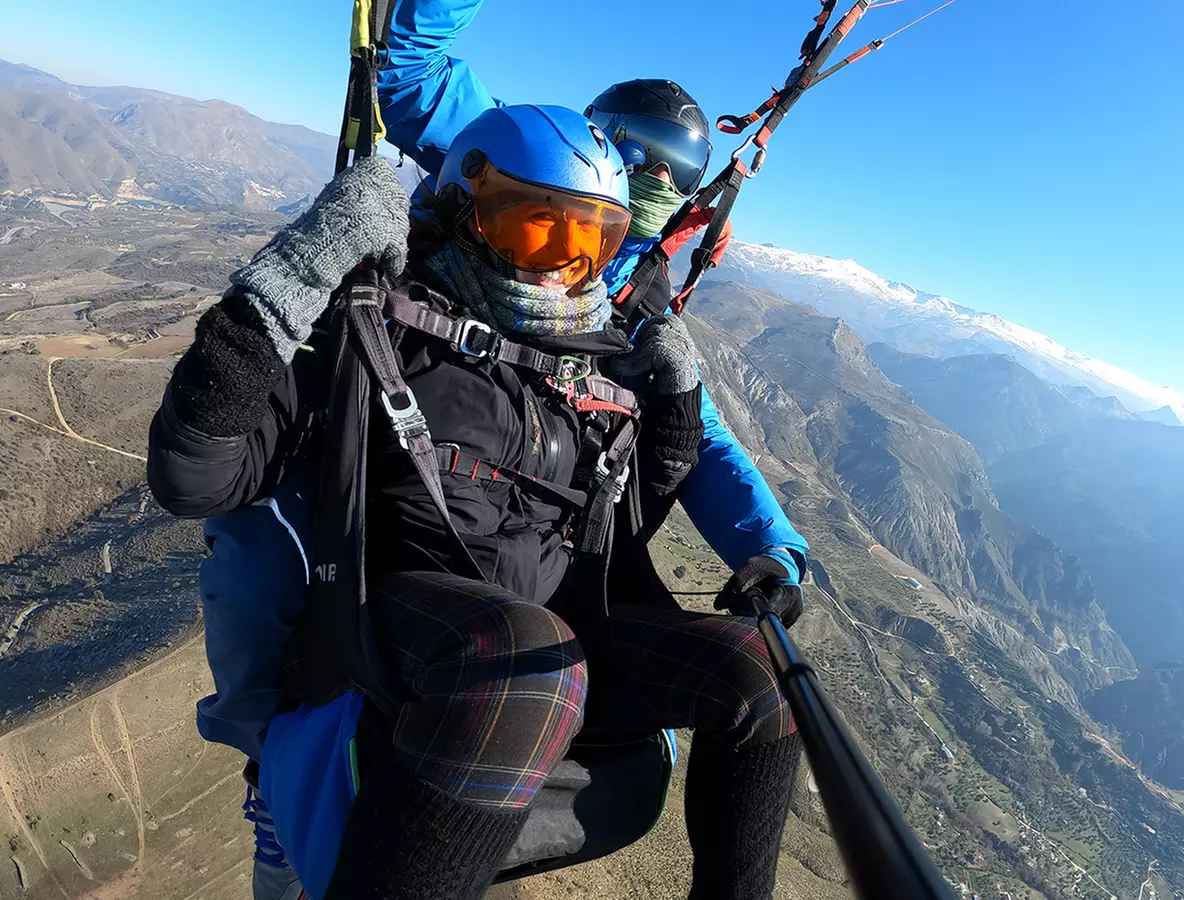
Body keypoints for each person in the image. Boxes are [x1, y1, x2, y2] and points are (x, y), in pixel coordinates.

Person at [149, 105, 802, 900]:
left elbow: (614, 537)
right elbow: (193, 476)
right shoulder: (374, 331)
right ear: (468, 211)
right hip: (397, 615)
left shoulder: (593, 369)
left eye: (592, 241)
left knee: (764, 667)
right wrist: (292, 282)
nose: (566, 265)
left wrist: (674, 413)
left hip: (548, 630)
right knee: (527, 659)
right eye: (540, 229)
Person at [378, 0, 808, 600]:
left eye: (681, 170)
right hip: (425, 452)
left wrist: (772, 550)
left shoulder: (638, 291)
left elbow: (705, 435)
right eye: (645, 153)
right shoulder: (525, 161)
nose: (659, 179)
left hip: (534, 520)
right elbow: (408, 74)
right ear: (602, 139)